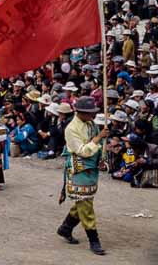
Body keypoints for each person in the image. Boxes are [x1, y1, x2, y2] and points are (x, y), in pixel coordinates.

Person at [57, 96, 107, 255]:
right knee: (86, 204)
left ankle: (65, 228)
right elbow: (82, 151)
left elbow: (98, 146)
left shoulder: (91, 123)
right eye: (90, 113)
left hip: (92, 167)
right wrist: (99, 138)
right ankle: (94, 240)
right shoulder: (71, 129)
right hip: (79, 168)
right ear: (80, 112)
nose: (92, 116)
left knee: (84, 200)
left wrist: (101, 158)